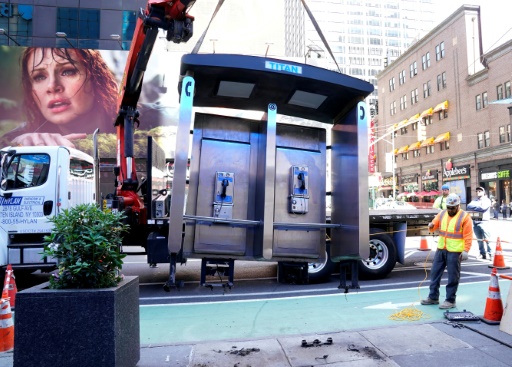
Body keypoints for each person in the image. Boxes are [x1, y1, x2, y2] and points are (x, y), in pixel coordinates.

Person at [2, 47, 118, 148]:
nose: (52, 86)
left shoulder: (133, 125)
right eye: (40, 77)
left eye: (68, 71)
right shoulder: (16, 140)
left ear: (96, 77)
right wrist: (14, 149)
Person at [421, 194, 473, 309]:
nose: (450, 210)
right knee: (434, 273)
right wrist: (431, 226)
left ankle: (450, 300)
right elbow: (434, 225)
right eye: (448, 207)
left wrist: (466, 250)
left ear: (458, 206)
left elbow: (468, 235)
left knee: (453, 277)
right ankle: (433, 297)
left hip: (455, 251)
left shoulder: (465, 217)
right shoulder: (442, 213)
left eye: (452, 208)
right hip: (441, 248)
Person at [467, 186, 492, 260]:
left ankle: (490, 254)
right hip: (475, 221)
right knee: (479, 240)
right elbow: (468, 206)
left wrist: (475, 207)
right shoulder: (475, 200)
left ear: (483, 192)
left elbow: (483, 208)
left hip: (484, 221)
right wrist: (478, 206)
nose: (478, 192)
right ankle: (482, 253)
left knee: (487, 239)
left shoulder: (487, 200)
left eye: (480, 191)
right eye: (477, 191)